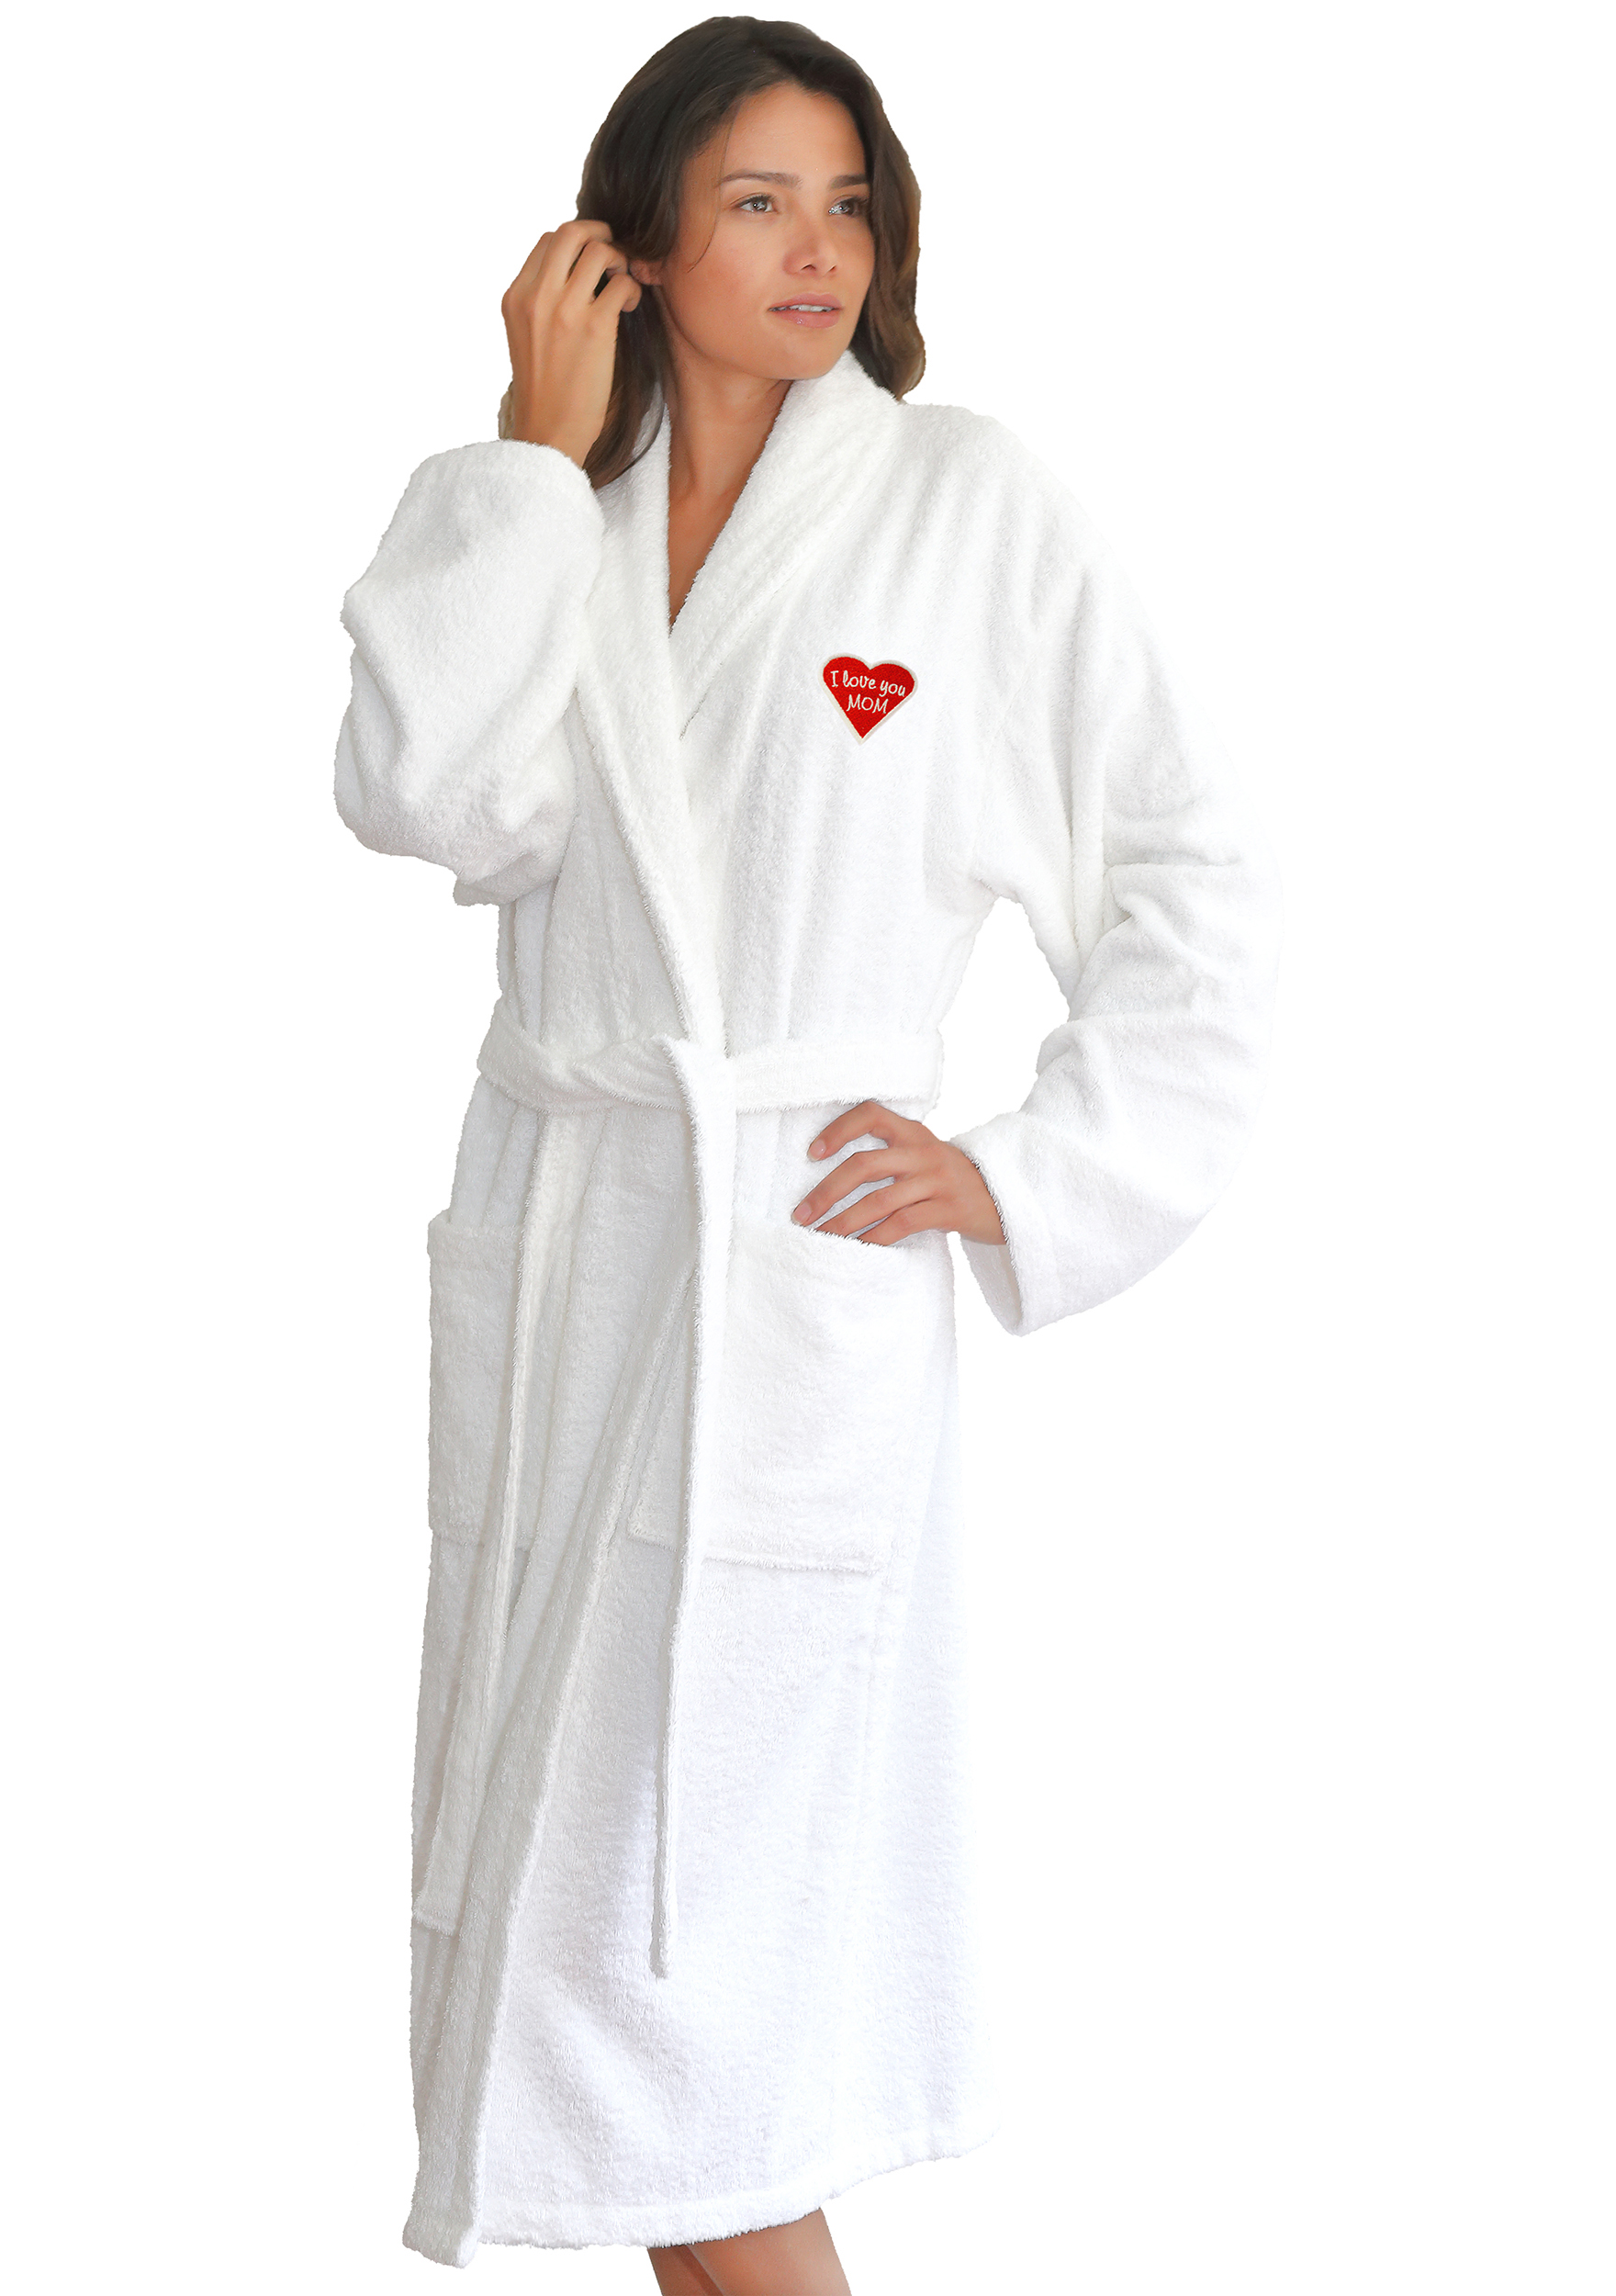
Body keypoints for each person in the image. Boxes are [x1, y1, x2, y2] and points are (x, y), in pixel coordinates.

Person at [332, 17, 1282, 2292]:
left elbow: (1194, 877)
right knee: (608, 2021)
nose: (817, 246)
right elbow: (436, 800)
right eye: (756, 199)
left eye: (847, 201)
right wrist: (527, 460)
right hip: (576, 1276)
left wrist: (1023, 1165)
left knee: (686, 2022)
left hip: (785, 1300)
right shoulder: (555, 513)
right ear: (633, 243)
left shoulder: (968, 505)